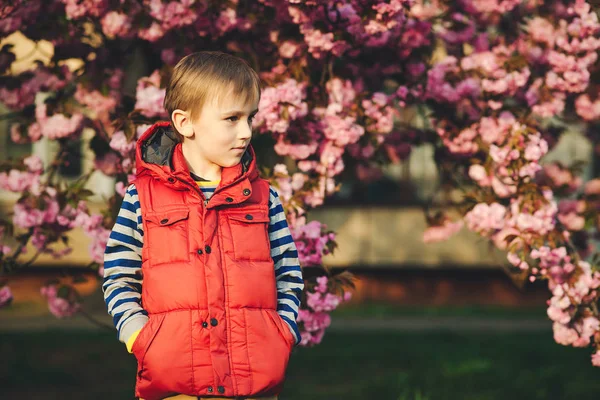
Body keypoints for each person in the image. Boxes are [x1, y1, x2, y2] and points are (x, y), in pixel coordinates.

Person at [102, 51, 304, 400]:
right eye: (231, 118)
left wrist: (282, 332)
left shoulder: (263, 198)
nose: (245, 132)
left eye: (250, 118)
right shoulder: (142, 198)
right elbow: (119, 275)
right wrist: (140, 338)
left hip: (254, 385)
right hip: (174, 385)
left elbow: (289, 275)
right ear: (185, 122)